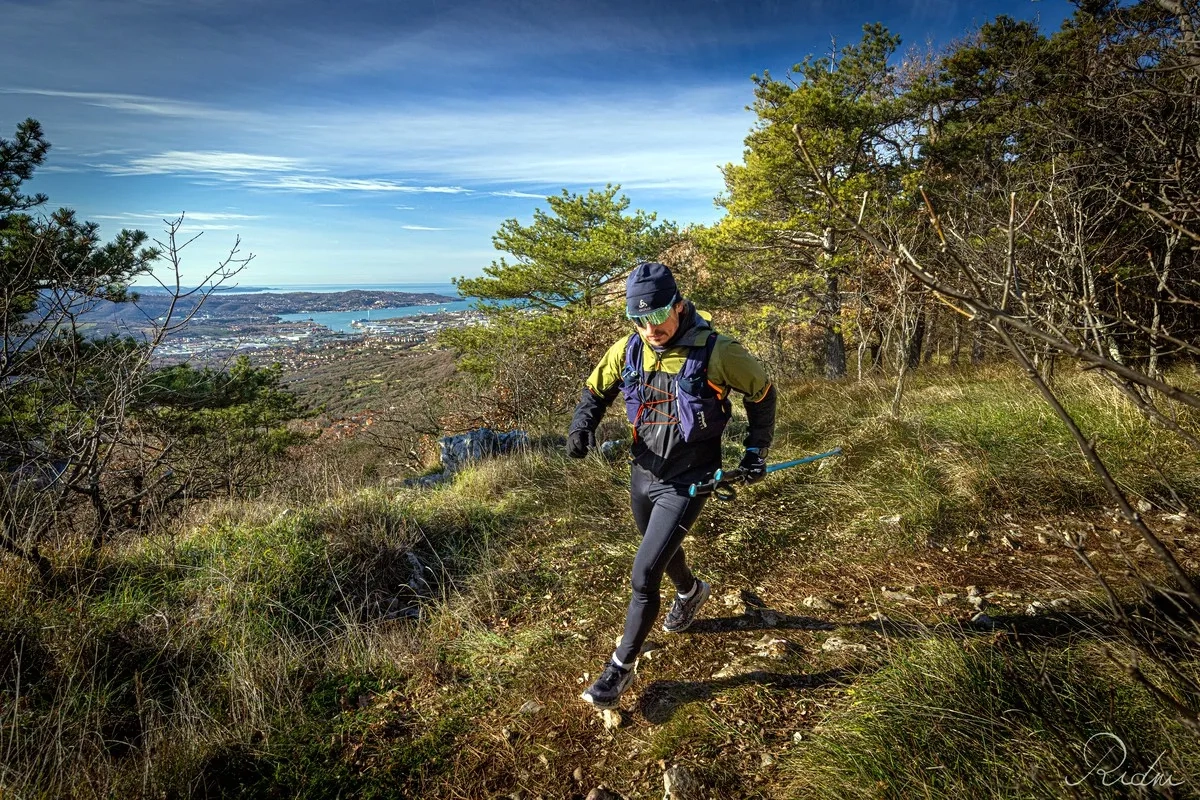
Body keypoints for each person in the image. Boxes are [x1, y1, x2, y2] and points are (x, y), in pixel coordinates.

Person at [567, 262, 776, 709]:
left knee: (644, 574)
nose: (651, 328)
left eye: (659, 315)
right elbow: (594, 392)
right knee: (660, 549)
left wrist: (755, 451)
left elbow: (762, 392)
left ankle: (620, 668)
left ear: (678, 306)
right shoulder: (628, 350)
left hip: (689, 480)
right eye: (638, 319)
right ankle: (691, 591)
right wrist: (581, 426)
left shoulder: (717, 351)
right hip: (643, 472)